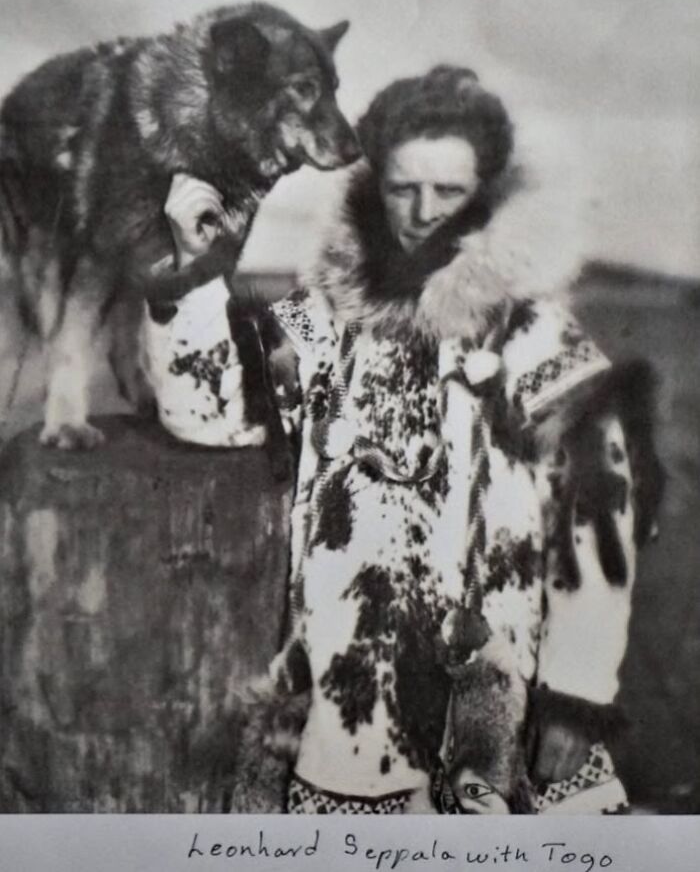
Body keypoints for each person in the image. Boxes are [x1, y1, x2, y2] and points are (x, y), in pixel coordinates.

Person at [146, 65, 662, 813]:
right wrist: (190, 278)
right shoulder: (319, 319)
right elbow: (211, 415)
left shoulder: (533, 332)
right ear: (373, 182)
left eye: (447, 191)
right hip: (345, 701)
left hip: (490, 689)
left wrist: (576, 694)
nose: (422, 212)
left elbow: (597, 517)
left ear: (482, 191)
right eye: (402, 187)